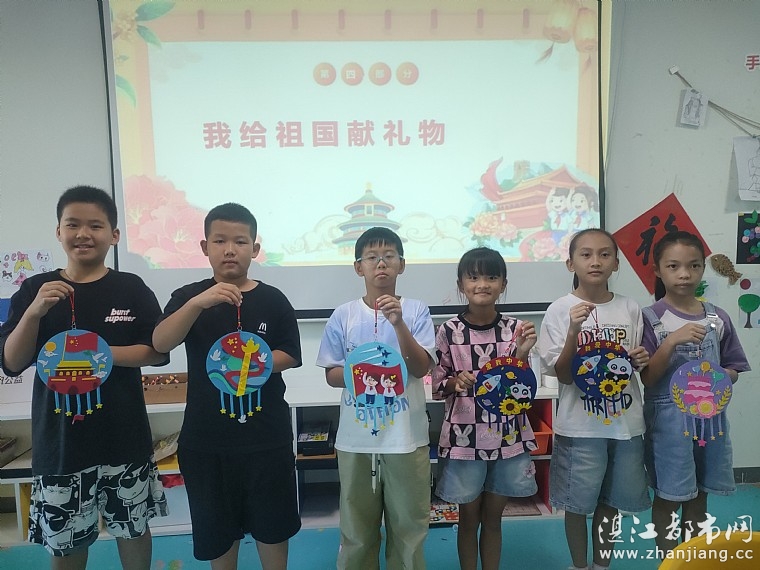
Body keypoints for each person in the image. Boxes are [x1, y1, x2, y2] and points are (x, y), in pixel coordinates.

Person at [0, 185, 168, 570]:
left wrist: (97, 356)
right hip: (61, 444)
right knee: (66, 543)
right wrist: (34, 312)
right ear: (58, 231)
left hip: (124, 438)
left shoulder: (131, 287)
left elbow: (157, 351)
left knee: (133, 530)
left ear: (114, 234)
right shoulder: (35, 289)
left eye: (95, 225)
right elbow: (11, 362)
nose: (83, 234)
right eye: (73, 224)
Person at [152, 203, 302, 570]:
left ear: (255, 248)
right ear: (205, 247)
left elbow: (290, 354)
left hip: (266, 438)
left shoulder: (273, 299)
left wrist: (247, 366)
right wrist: (197, 304)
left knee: (273, 530)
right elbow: (160, 342)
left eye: (240, 241)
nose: (230, 250)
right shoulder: (189, 296)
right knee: (217, 534)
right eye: (220, 241)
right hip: (206, 442)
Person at [316, 227, 435, 570]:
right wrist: (366, 373)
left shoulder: (416, 311)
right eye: (371, 257)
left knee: (409, 525)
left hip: (406, 438)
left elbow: (421, 368)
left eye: (388, 256)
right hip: (356, 439)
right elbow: (331, 375)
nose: (380, 263)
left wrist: (398, 323)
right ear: (359, 267)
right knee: (356, 527)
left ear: (401, 265)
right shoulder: (343, 315)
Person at [538, 228, 651, 570]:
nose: (595, 261)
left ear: (616, 263)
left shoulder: (630, 307)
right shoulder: (559, 310)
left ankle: (602, 565)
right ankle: (579, 565)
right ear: (570, 263)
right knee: (576, 504)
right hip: (580, 427)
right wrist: (574, 330)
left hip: (625, 425)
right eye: (585, 254)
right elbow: (563, 374)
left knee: (611, 502)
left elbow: (633, 365)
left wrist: (640, 359)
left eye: (604, 254)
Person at [640, 231, 749, 555]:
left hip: (710, 422)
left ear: (703, 268)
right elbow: (648, 378)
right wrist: (672, 341)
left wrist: (720, 377)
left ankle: (692, 558)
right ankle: (668, 560)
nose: (684, 274)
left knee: (701, 493)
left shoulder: (717, 318)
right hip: (669, 425)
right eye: (673, 266)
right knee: (669, 496)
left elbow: (734, 368)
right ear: (658, 270)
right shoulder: (650, 318)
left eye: (693, 266)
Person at [432, 247, 538, 570]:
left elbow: (520, 386)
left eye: (492, 277)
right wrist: (456, 382)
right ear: (461, 284)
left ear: (503, 284)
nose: (482, 284)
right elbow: (437, 384)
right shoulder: (448, 330)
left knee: (493, 519)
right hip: (465, 440)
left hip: (507, 438)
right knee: (468, 519)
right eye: (474, 277)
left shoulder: (515, 329)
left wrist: (523, 352)